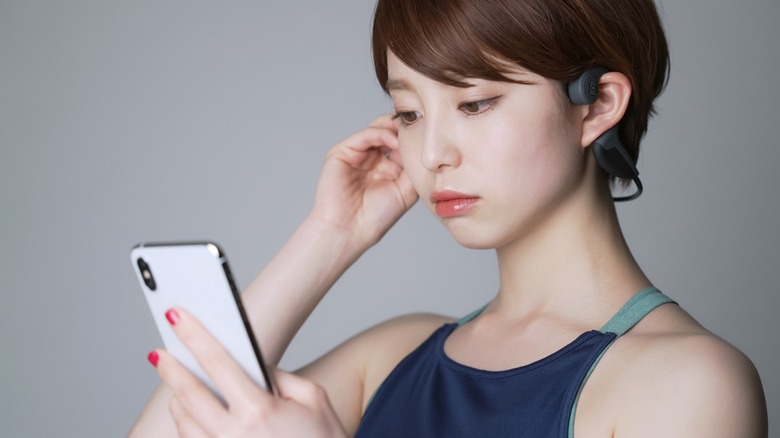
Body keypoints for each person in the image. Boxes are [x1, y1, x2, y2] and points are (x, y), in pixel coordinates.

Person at [130, 0, 768, 436]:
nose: (432, 154)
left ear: (597, 104)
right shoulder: (396, 354)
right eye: (408, 113)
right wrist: (329, 235)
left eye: (476, 102)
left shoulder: (690, 383)